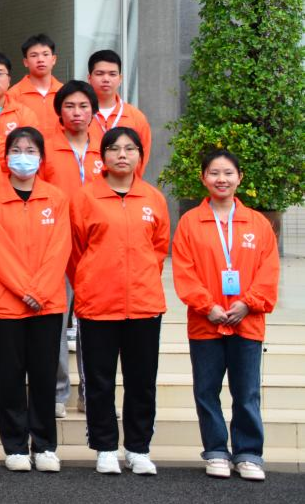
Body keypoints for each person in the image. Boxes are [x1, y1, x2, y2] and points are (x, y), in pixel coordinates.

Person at [172, 149, 280, 482]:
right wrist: (209, 307)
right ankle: (216, 451)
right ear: (203, 178)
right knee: (206, 391)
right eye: (214, 173)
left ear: (240, 178)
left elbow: (269, 270)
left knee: (246, 392)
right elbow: (184, 272)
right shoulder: (190, 223)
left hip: (247, 321)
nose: (222, 179)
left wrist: (249, 303)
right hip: (206, 323)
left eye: (228, 173)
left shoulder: (258, 224)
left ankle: (248, 454)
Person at [70, 126, 170, 476]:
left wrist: (140, 277)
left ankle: (138, 448)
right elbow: (76, 250)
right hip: (98, 304)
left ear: (140, 155)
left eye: (130, 149)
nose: (122, 155)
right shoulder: (85, 198)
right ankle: (105, 447)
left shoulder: (153, 198)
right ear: (103, 156)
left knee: (141, 381)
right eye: (114, 148)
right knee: (99, 382)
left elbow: (159, 249)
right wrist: (90, 279)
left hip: (144, 304)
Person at [0, 126, 69, 473]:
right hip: (7, 302)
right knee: (11, 377)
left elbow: (60, 248)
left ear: (42, 158)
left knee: (44, 376)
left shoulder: (56, 198)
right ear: (5, 157)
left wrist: (39, 290)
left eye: (31, 151)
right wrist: (23, 289)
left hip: (47, 303)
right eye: (16, 150)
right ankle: (15, 445)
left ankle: (45, 445)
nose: (23, 157)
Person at [40, 79, 103, 417]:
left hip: (97, 246)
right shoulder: (46, 148)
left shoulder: (106, 148)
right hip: (56, 244)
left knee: (94, 324)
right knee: (55, 321)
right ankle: (57, 392)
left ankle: (91, 394)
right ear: (59, 111)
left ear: (93, 111)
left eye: (83, 106)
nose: (77, 112)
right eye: (69, 106)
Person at [87, 50, 153, 169]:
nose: (106, 79)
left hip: (124, 180)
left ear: (120, 78)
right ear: (89, 78)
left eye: (112, 74)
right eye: (100, 73)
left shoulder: (136, 117)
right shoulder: (79, 116)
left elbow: (141, 159)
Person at [7, 34, 64, 138]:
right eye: (34, 55)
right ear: (25, 62)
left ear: (54, 59)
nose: (40, 59)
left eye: (45, 54)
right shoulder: (13, 95)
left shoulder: (64, 92)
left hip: (60, 148)